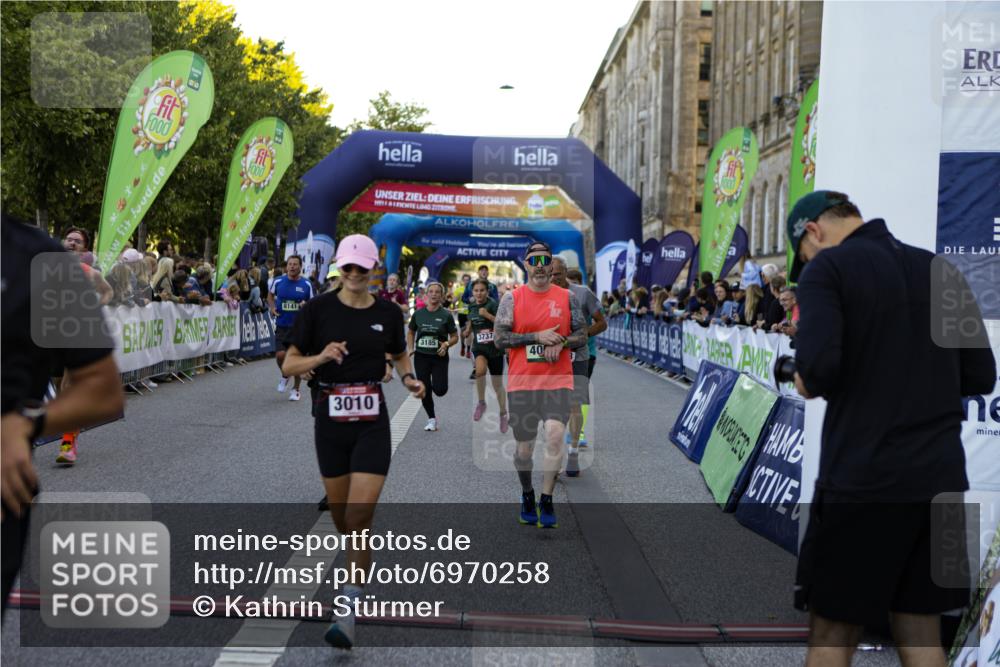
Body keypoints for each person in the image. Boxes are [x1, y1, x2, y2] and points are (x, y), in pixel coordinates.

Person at [786, 191, 997, 667]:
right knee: (921, 629)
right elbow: (982, 376)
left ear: (813, 232)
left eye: (804, 256)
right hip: (940, 484)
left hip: (866, 480)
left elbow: (818, 370)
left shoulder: (830, 269)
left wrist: (803, 376)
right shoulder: (939, 270)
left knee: (833, 630)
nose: (808, 264)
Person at [280, 234, 425, 650]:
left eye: (363, 268)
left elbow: (398, 354)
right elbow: (290, 363)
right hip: (330, 419)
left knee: (359, 517)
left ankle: (348, 608)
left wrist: (409, 378)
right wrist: (321, 358)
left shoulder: (389, 313)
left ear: (373, 270)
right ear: (339, 269)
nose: (356, 275)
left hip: (371, 422)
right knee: (344, 522)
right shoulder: (316, 310)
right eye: (349, 268)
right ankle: (354, 571)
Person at [2, 213, 124, 614]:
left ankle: (69, 442)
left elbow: (103, 388)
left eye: (76, 240)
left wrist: (23, 426)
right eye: (67, 238)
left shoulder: (40, 258)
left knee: (70, 386)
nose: (71, 244)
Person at [494, 242, 587, 528]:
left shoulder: (567, 297)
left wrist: (562, 343)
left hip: (558, 380)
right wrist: (535, 337)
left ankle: (546, 499)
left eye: (544, 260)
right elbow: (499, 339)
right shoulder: (512, 299)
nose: (539, 265)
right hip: (523, 383)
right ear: (526, 265)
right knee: (524, 450)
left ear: (551, 265)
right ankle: (527, 493)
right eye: (533, 260)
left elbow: (582, 333)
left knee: (556, 436)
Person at [551, 259, 606, 474]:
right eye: (550, 273)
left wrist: (582, 335)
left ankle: (573, 452)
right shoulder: (542, 295)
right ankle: (554, 457)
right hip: (551, 358)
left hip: (578, 357)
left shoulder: (582, 293)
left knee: (574, 406)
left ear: (565, 272)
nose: (553, 278)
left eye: (557, 274)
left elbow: (602, 322)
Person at [407, 282, 458, 432]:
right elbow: (411, 332)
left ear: (442, 296)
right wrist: (411, 348)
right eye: (431, 291)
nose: (434, 294)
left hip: (439, 356)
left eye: (437, 292)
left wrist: (447, 344)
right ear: (426, 294)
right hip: (421, 356)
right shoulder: (418, 314)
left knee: (440, 390)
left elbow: (455, 336)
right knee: (424, 388)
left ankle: (436, 398)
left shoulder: (446, 315)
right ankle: (431, 419)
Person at [269, 255, 314, 401]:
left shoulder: (306, 284)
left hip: (299, 327)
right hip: (282, 325)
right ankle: (285, 374)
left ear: (300, 266)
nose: (292, 266)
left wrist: (305, 306)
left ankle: (296, 390)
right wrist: (272, 307)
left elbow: (313, 304)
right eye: (290, 264)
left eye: (295, 264)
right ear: (286, 266)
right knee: (280, 355)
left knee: (297, 359)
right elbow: (269, 295)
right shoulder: (278, 281)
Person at [464, 278, 508, 430]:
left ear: (487, 291)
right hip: (479, 348)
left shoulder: (494, 304)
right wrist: (468, 330)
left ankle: (503, 413)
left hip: (495, 349)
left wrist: (488, 315)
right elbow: (471, 321)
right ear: (472, 292)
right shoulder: (471, 306)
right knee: (480, 371)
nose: (479, 293)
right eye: (476, 290)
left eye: (482, 290)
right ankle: (481, 402)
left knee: (497, 385)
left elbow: (503, 323)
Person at [451, 274, 472, 358]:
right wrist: (455, 304)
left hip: (470, 313)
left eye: (468, 280)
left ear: (470, 281)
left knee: (469, 331)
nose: (466, 281)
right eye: (465, 280)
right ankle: (463, 345)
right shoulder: (459, 290)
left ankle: (468, 350)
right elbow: (453, 301)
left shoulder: (472, 289)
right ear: (462, 281)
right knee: (463, 332)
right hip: (461, 313)